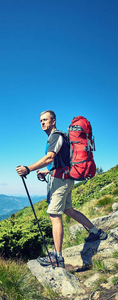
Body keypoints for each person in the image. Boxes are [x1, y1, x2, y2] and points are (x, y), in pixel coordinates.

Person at [16, 110, 107, 268]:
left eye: (45, 120)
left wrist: (28, 168)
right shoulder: (62, 137)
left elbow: (50, 157)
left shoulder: (55, 136)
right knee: (68, 210)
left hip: (61, 181)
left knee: (54, 215)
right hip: (65, 178)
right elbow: (62, 161)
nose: (43, 123)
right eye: (41, 121)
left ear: (53, 121)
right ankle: (95, 232)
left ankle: (57, 257)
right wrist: (47, 171)